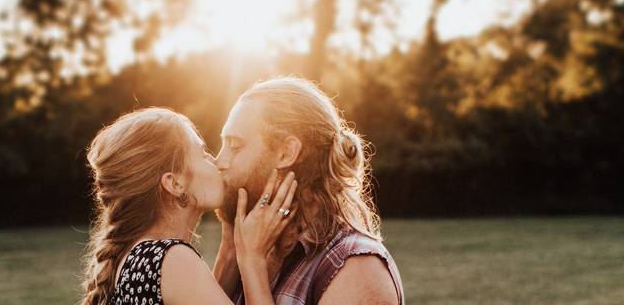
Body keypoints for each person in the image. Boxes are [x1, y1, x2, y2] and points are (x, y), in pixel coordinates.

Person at [212, 76, 405, 305]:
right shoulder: (252, 248)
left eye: (235, 146)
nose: (218, 161)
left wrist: (253, 266)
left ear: (286, 153)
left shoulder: (358, 269)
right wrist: (230, 254)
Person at [80, 107, 296, 305]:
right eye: (203, 154)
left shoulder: (139, 256)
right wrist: (252, 259)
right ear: (175, 183)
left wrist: (230, 249)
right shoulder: (171, 260)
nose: (217, 162)